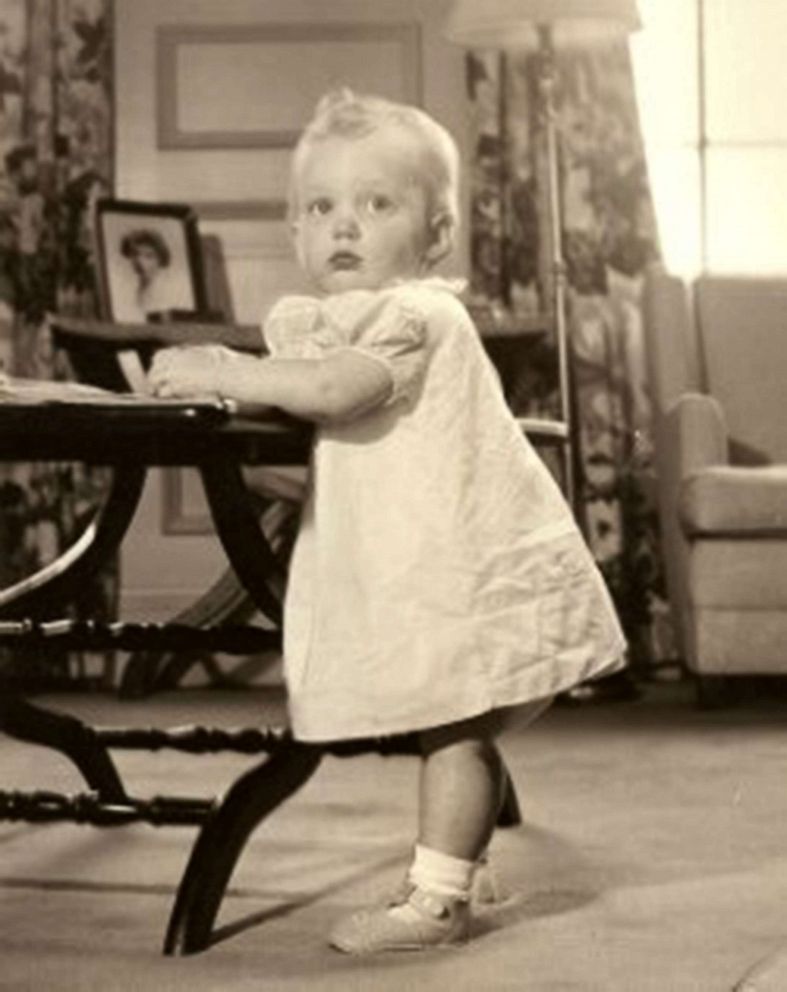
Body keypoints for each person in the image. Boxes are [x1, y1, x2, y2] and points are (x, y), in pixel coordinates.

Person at [148, 90, 627, 955]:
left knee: (453, 723)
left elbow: (339, 393)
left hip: (467, 569)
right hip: (417, 564)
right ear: (294, 229)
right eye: (322, 207)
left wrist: (229, 368)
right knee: (451, 718)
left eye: (378, 204)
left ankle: (438, 904)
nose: (345, 227)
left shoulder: (417, 313)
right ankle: (461, 854)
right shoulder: (329, 322)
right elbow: (334, 440)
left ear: (434, 235)